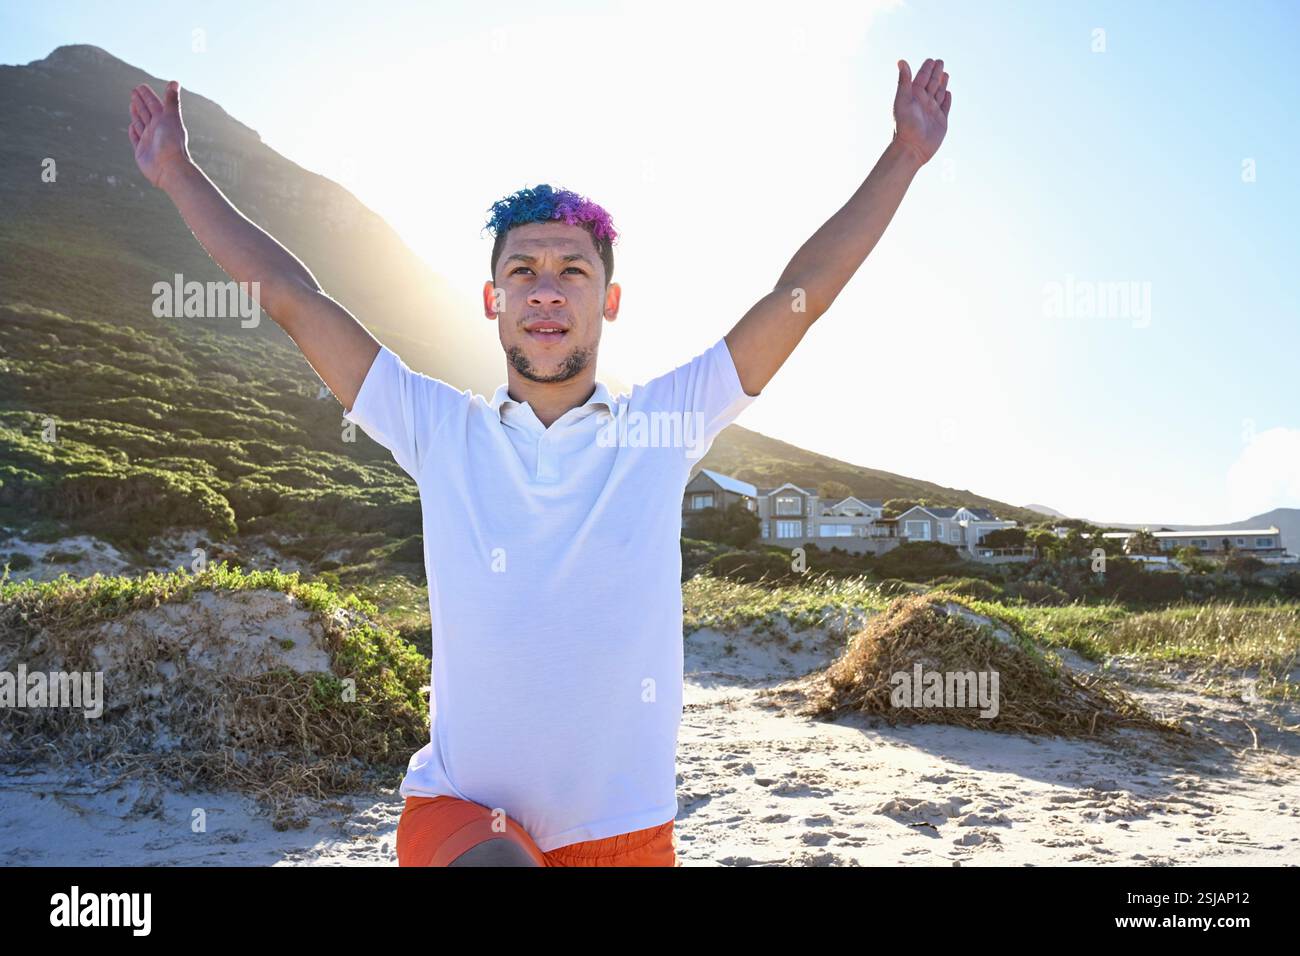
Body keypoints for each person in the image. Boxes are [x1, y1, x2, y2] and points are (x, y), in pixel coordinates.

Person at [127, 57, 951, 866]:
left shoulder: (663, 427)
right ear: (493, 302)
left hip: (628, 833)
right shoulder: (438, 430)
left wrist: (903, 155)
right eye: (522, 270)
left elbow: (798, 296)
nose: (546, 290)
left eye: (572, 271)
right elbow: (291, 296)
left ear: (609, 301)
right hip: (464, 819)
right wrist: (177, 173)